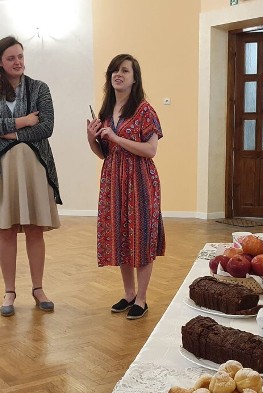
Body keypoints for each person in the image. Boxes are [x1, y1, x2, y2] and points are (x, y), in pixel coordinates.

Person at [0, 36, 61, 317]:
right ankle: (9, 291)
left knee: (35, 230)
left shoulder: (39, 89)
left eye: (21, 57)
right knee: (7, 231)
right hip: (1, 171)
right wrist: (24, 121)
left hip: (34, 169)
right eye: (11, 58)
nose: (18, 62)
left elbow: (46, 127)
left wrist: (7, 131)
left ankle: (38, 289)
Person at [86, 54, 165, 320]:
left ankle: (142, 299)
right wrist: (92, 137)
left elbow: (151, 150)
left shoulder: (144, 110)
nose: (118, 75)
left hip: (140, 182)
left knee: (141, 239)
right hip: (113, 181)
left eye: (124, 71)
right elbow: (103, 153)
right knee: (121, 236)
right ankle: (129, 293)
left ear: (134, 78)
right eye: (114, 71)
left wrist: (117, 138)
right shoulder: (106, 113)